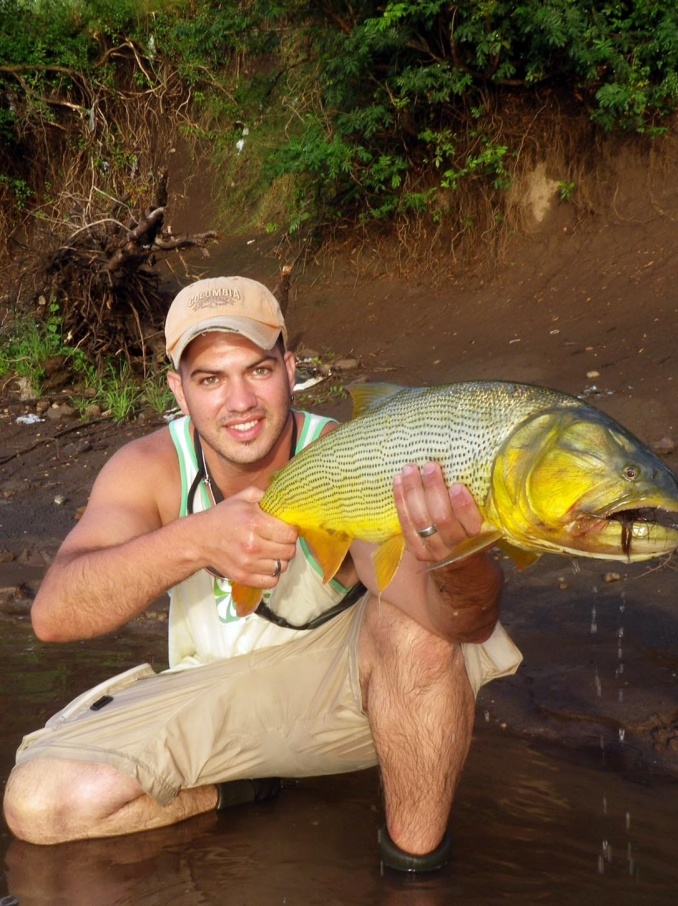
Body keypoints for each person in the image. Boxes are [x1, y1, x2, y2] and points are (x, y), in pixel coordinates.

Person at [2, 275, 522, 872]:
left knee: (415, 633)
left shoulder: (353, 453)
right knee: (39, 805)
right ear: (178, 389)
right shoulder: (147, 469)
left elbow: (455, 623)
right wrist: (196, 538)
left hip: (342, 708)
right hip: (219, 705)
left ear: (290, 368)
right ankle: (248, 787)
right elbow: (53, 613)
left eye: (257, 370)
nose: (240, 401)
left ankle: (414, 874)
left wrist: (453, 560)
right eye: (209, 379)